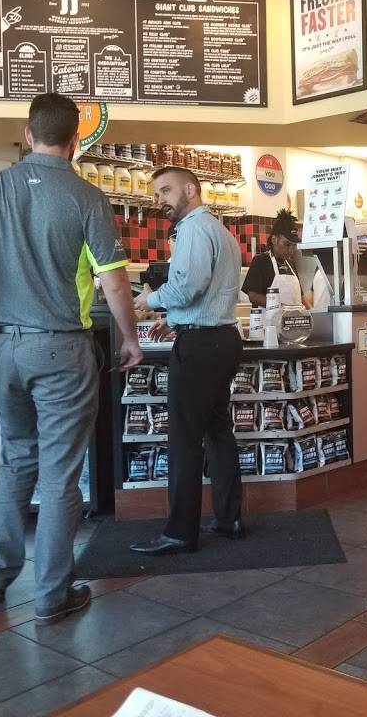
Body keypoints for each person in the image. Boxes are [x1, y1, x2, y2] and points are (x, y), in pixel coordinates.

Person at [0, 92, 143, 626]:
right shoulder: (88, 197)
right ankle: (53, 595)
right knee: (59, 476)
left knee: (16, 462)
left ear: (27, 134)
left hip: (4, 349)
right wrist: (130, 338)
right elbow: (114, 281)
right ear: (76, 142)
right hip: (61, 350)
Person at [130, 166, 244, 555]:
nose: (159, 199)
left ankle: (180, 533)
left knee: (184, 439)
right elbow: (204, 293)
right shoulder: (220, 231)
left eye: (166, 190)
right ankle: (229, 519)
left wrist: (149, 300)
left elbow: (186, 287)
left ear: (191, 189)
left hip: (200, 348)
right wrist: (176, 319)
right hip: (223, 340)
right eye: (156, 193)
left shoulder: (193, 228)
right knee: (218, 432)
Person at [241, 209, 302, 308]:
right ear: (274, 240)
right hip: (268, 317)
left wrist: (309, 311)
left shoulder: (290, 264)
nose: (291, 250)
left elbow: (301, 297)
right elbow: (253, 295)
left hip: (292, 317)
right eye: (287, 244)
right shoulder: (261, 261)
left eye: (294, 245)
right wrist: (281, 308)